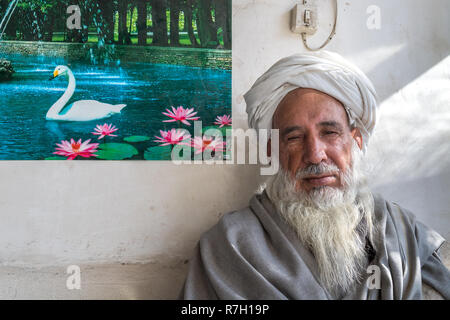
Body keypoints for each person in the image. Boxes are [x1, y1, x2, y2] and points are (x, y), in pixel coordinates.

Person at [178, 51, 450, 299]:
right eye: (294, 137)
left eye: (330, 133)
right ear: (274, 149)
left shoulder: (401, 232)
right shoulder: (229, 246)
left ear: (355, 140)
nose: (315, 154)